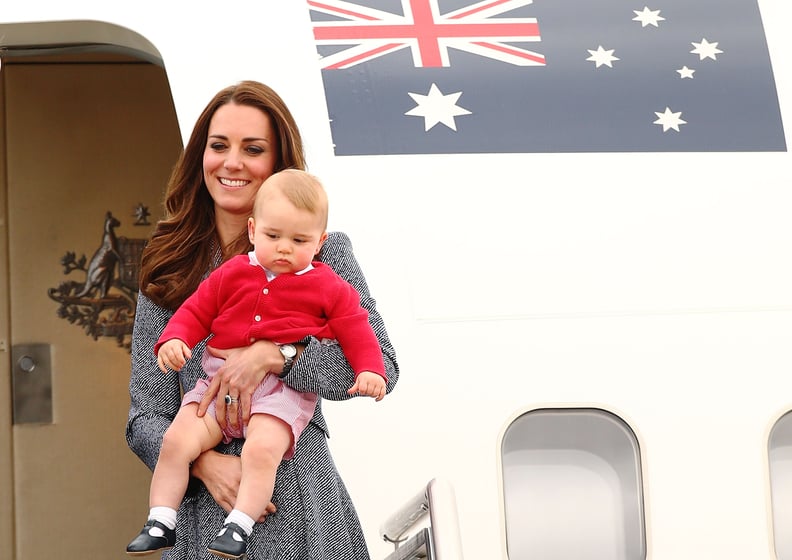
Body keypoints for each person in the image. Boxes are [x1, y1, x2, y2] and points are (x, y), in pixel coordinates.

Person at [125, 81, 399, 560]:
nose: (232, 163)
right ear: (200, 156)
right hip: (199, 517)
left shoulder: (323, 252)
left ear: (277, 164)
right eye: (218, 146)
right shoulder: (169, 262)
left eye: (253, 149)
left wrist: (276, 356)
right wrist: (205, 465)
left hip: (298, 500)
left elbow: (380, 365)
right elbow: (143, 416)